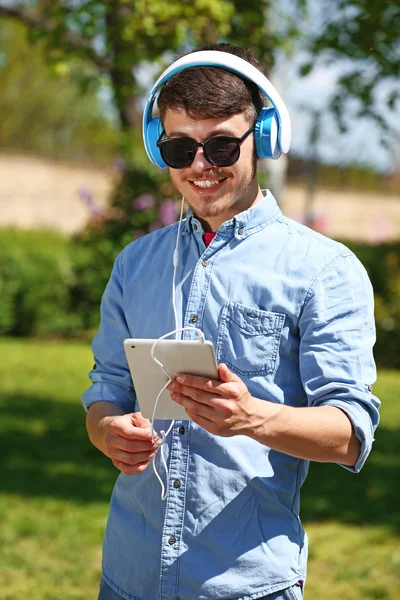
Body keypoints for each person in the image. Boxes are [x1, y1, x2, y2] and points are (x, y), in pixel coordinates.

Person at [83, 43, 380, 600]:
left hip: (247, 586)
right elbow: (105, 392)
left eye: (221, 145)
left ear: (262, 138)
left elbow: (349, 434)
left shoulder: (325, 270)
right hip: (127, 576)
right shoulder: (134, 265)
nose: (200, 166)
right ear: (157, 146)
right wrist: (107, 433)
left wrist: (252, 418)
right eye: (179, 147)